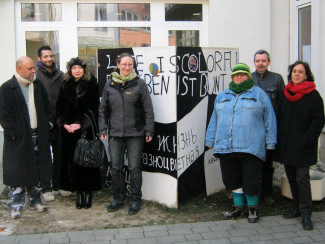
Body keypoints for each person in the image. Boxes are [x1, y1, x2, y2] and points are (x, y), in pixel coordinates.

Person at [205, 63, 277, 223]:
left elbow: (270, 119)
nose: (239, 77)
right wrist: (210, 140)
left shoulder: (259, 94)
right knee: (232, 179)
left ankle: (252, 209)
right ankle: (238, 207)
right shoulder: (222, 96)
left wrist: (271, 142)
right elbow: (214, 119)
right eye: (236, 74)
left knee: (251, 179)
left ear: (248, 76)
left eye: (243, 74)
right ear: (232, 77)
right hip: (225, 146)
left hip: (251, 147)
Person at [98, 53, 154, 215]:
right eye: (124, 64)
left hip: (136, 133)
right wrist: (103, 129)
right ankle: (118, 198)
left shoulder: (140, 84)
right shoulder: (109, 85)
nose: (127, 68)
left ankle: (135, 200)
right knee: (115, 168)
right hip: (115, 134)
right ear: (118, 65)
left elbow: (148, 110)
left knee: (134, 168)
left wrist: (149, 130)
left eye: (130, 65)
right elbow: (103, 110)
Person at [0, 56, 52, 219]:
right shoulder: (7, 88)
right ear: (19, 69)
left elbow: (47, 106)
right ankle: (15, 205)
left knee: (37, 170)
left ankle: (35, 201)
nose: (33, 71)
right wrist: (15, 134)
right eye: (29, 68)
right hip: (18, 139)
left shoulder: (37, 85)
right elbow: (3, 115)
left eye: (33, 68)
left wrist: (48, 124)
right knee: (17, 172)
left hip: (38, 135)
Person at [277, 61, 324, 230]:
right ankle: (296, 208)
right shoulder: (285, 93)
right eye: (294, 71)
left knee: (302, 179)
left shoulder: (313, 95)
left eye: (300, 72)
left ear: (306, 75)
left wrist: (307, 140)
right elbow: (280, 117)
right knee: (291, 179)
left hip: (304, 146)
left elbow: (318, 120)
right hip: (288, 145)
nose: (296, 74)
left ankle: (306, 214)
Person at [56, 57, 101, 209]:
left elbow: (95, 108)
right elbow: (60, 107)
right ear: (70, 70)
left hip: (85, 130)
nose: (77, 70)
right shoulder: (65, 84)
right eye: (74, 68)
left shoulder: (92, 83)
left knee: (85, 161)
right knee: (72, 161)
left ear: (84, 69)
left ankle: (87, 192)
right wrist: (64, 123)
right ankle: (77, 192)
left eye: (79, 68)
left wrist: (81, 124)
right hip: (69, 131)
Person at [251, 49, 285, 206]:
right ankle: (253, 192)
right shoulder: (248, 79)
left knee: (267, 163)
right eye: (258, 61)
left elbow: (283, 104)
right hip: (252, 130)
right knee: (252, 163)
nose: (260, 63)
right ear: (254, 62)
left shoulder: (277, 79)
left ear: (268, 62)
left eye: (263, 61)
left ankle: (267, 193)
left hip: (270, 129)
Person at [36, 45, 68, 201]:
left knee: (60, 155)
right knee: (44, 157)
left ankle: (58, 185)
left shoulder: (61, 75)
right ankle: (45, 188)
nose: (49, 59)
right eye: (45, 56)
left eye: (51, 56)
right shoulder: (35, 75)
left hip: (59, 121)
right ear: (39, 59)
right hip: (42, 122)